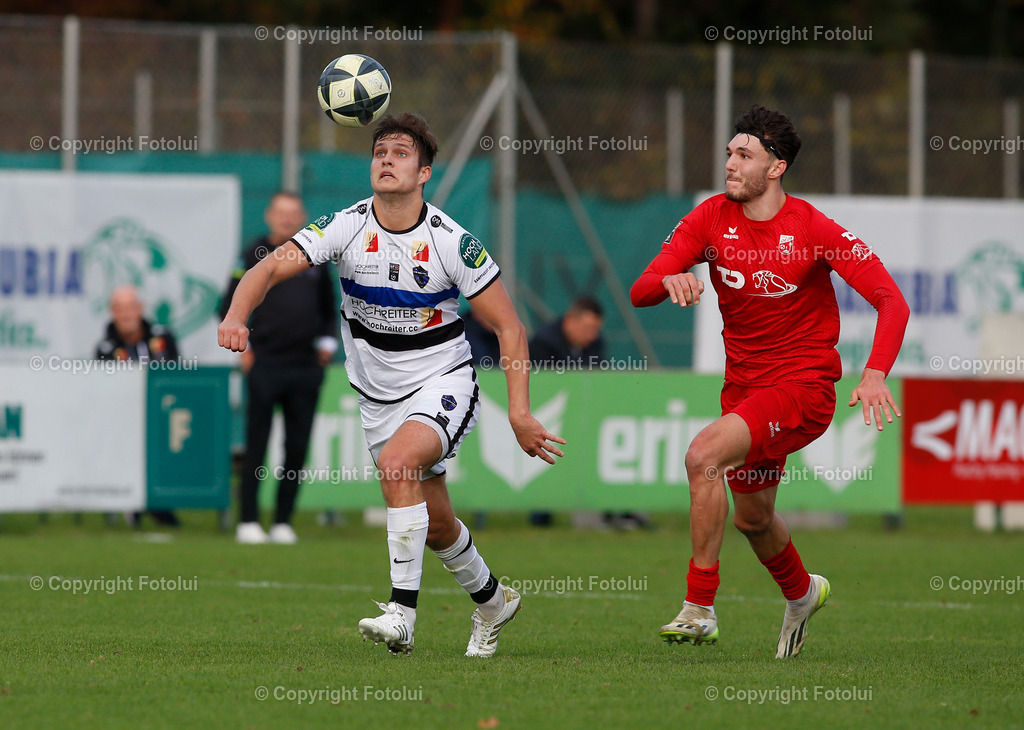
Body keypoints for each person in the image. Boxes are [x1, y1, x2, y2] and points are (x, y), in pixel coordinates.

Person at [218, 112, 565, 657]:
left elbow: (509, 328)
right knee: (439, 523)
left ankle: (402, 615)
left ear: (424, 173)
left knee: (397, 466)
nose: (386, 159)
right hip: (377, 397)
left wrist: (519, 411)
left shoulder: (453, 242)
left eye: (401, 153)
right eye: (380, 151)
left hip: (443, 380)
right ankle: (494, 601)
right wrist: (238, 315)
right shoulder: (346, 225)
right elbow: (265, 268)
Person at [630, 106, 909, 658]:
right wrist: (670, 278)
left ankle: (699, 607)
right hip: (746, 391)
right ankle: (803, 593)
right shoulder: (709, 218)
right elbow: (641, 290)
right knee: (754, 519)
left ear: (776, 167)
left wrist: (875, 372)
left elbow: (890, 300)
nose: (730, 164)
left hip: (804, 388)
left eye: (744, 155)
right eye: (729, 153)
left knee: (702, 453)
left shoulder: (812, 228)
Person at [219, 191, 339, 545]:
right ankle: (249, 520)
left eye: (294, 213)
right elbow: (229, 305)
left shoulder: (314, 258)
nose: (287, 219)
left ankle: (283, 520)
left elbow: (328, 311)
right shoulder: (253, 254)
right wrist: (246, 353)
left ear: (301, 216)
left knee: (297, 446)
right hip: (265, 364)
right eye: (281, 213)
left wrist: (326, 345)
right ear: (270, 216)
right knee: (256, 443)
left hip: (305, 367)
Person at [96, 285, 181, 527]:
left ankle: (161, 503)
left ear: (140, 308)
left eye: (130, 308)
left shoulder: (163, 337)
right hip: (123, 421)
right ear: (112, 312)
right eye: (120, 309)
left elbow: (177, 376)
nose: (126, 314)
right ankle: (131, 501)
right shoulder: (106, 348)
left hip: (162, 416)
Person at [529, 296, 605, 370]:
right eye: (587, 329)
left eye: (596, 330)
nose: (592, 336)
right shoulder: (544, 343)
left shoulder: (595, 344)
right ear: (569, 321)